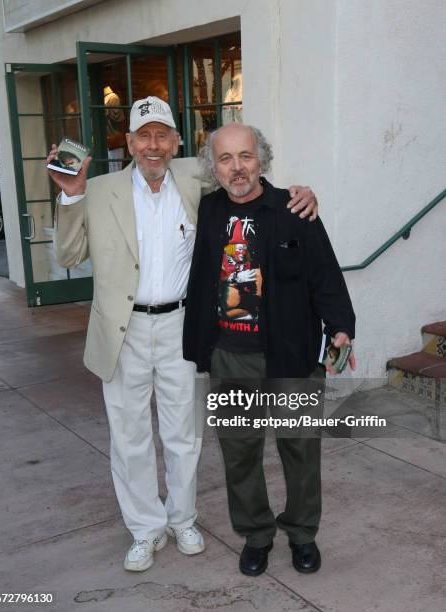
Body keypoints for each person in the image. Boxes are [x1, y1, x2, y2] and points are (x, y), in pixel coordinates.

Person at [46, 96, 320, 573]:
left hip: (182, 327)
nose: (153, 146)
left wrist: (301, 194)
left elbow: (248, 178)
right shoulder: (99, 189)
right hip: (123, 331)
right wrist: (70, 194)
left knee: (184, 434)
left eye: (162, 135)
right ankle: (145, 529)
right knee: (129, 436)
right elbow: (69, 257)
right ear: (129, 142)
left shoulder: (197, 180)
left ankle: (183, 518)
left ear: (177, 142)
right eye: (143, 136)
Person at [183, 123, 356, 577]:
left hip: (290, 353)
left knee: (300, 450)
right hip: (228, 353)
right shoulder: (207, 210)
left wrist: (340, 327)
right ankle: (256, 536)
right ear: (213, 167)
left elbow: (325, 275)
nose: (237, 167)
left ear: (262, 160)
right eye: (225, 159)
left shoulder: (294, 209)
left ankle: (302, 535)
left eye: (245, 156)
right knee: (239, 453)